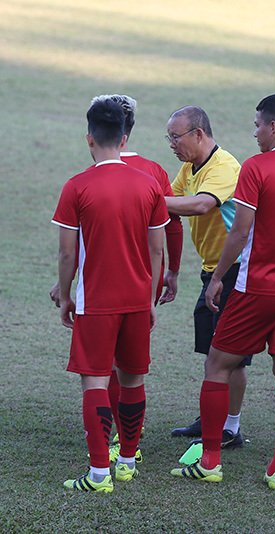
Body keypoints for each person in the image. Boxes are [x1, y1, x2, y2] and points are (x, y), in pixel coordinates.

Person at [170, 94, 275, 490]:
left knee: (218, 365)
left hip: (255, 287)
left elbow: (240, 232)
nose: (255, 132)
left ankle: (210, 460)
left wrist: (220, 277)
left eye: (258, 125)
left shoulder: (257, 168)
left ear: (274, 127)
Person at [49, 94, 184, 462]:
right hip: (139, 299)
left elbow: (66, 253)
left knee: (94, 379)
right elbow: (157, 250)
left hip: (97, 301)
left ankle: (97, 473)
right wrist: (150, 298)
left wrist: (65, 295)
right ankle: (127, 460)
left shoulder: (76, 186)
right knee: (133, 380)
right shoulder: (149, 185)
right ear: (125, 139)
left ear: (89, 138)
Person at [164, 106, 249, 448]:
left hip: (235, 271)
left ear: (198, 134)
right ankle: (214, 415)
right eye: (168, 137)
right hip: (212, 270)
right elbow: (170, 200)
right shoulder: (190, 166)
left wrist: (144, 201)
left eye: (175, 136)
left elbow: (199, 205)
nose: (171, 144)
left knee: (230, 355)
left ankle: (230, 427)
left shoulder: (224, 166)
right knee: (213, 352)